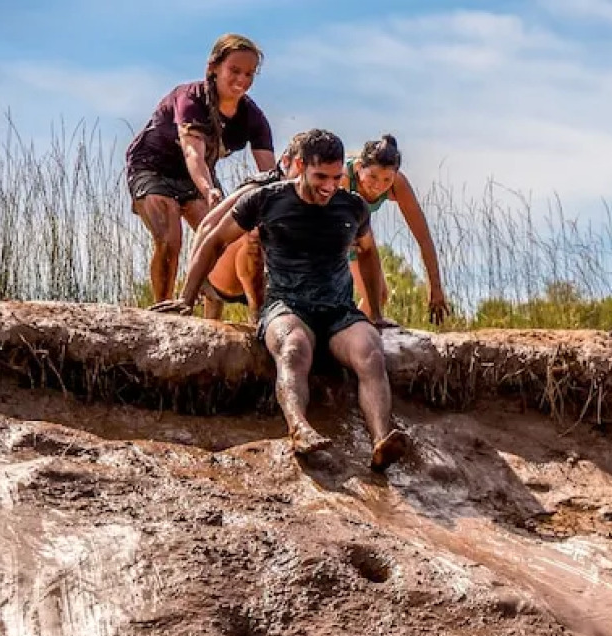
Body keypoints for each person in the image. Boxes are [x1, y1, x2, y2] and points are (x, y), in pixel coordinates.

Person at [154, 129, 407, 471]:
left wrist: (374, 312)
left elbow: (369, 253)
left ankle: (381, 439)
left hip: (338, 312)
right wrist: (186, 298)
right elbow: (214, 240)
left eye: (336, 178)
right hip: (287, 307)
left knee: (371, 352)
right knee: (294, 349)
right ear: (300, 166)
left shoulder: (352, 206)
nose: (330, 186)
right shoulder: (266, 200)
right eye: (321, 177)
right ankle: (299, 428)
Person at [125, 34, 274, 303]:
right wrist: (208, 189)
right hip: (153, 167)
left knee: (223, 238)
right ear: (214, 67)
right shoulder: (190, 99)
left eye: (249, 74)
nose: (242, 79)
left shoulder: (252, 117)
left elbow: (270, 174)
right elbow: (193, 153)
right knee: (170, 238)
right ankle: (164, 307)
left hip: (195, 176)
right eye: (234, 70)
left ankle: (211, 305)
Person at [194, 134, 306, 322]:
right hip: (230, 275)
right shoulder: (261, 187)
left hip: (279, 282)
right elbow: (208, 225)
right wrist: (193, 288)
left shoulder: (321, 195)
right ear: (287, 162)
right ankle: (257, 315)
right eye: (301, 169)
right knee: (253, 235)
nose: (305, 180)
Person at [341, 135, 450, 325]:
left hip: (357, 232)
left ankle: (354, 332)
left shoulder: (398, 184)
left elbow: (423, 238)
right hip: (329, 232)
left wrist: (435, 287)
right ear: (359, 167)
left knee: (378, 295)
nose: (379, 185)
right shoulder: (343, 179)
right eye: (373, 177)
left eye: (387, 179)